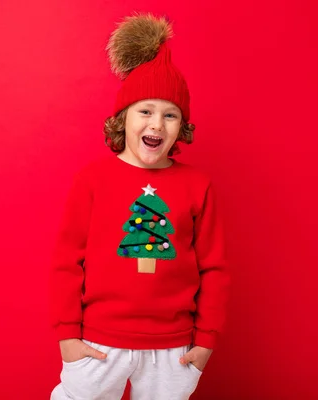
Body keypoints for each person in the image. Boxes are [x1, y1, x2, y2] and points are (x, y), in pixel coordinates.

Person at [49, 13, 231, 400]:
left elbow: (213, 267)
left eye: (170, 115)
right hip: (98, 341)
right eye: (145, 111)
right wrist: (67, 334)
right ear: (123, 118)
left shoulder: (198, 185)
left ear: (181, 127)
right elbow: (67, 261)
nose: (157, 124)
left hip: (174, 348)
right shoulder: (92, 180)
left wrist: (206, 341)